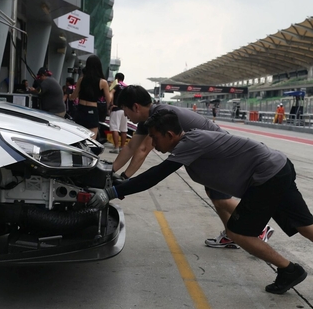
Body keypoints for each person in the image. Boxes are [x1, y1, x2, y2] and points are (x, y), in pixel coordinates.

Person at [91, 110, 313, 299]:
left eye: (154, 137)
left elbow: (154, 176)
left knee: (238, 232)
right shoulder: (189, 145)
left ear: (170, 134)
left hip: (267, 175)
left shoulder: (189, 143)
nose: (152, 142)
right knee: (308, 227)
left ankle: (289, 270)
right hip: (276, 168)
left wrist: (114, 191)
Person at [112, 85, 273, 248]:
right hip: (204, 154)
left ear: (135, 107)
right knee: (216, 197)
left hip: (216, 154)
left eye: (125, 110)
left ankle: (259, 227)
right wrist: (111, 171)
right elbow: (131, 147)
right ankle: (231, 234)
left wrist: (124, 179)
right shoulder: (148, 119)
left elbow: (143, 149)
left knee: (221, 199)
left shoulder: (161, 117)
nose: (125, 115)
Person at [71, 55, 111, 139]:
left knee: (78, 137)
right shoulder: (103, 82)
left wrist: (69, 96)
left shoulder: (81, 79)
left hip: (81, 110)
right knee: (92, 140)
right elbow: (109, 100)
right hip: (92, 111)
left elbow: (73, 96)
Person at [108, 72, 128, 154]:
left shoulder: (115, 84)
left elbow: (111, 93)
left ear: (116, 78)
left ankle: (116, 147)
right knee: (123, 129)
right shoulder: (126, 86)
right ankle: (122, 147)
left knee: (114, 128)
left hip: (116, 108)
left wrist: (111, 103)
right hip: (125, 110)